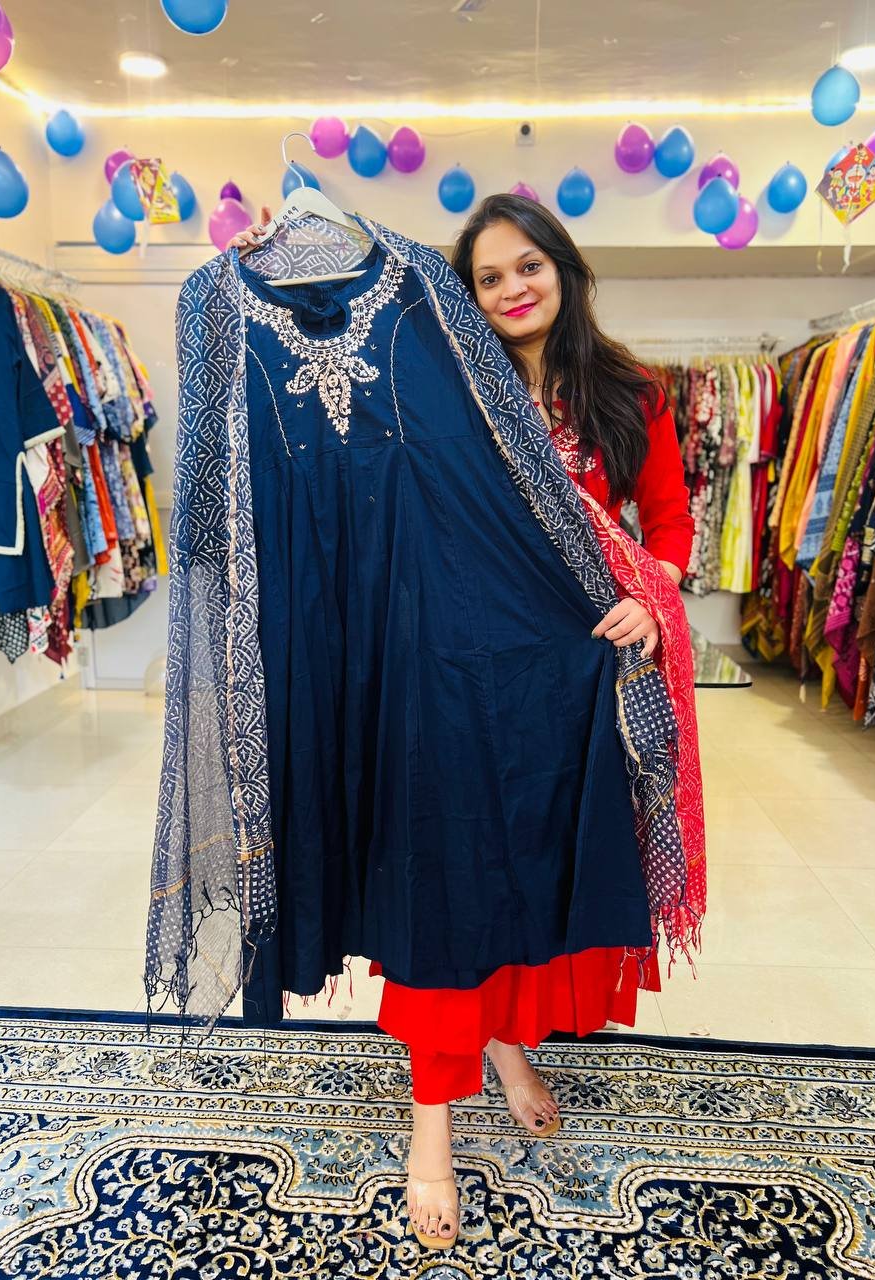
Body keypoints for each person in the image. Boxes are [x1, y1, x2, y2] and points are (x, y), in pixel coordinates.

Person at [227, 194, 695, 1249]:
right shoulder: (436, 375)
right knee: (444, 879)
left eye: (529, 265)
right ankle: (430, 1122)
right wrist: (282, 249)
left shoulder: (629, 393)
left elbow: (668, 523)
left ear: (566, 268)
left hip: (572, 672)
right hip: (441, 666)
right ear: (463, 296)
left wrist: (654, 593)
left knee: (534, 870)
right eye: (488, 277)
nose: (512, 288)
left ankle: (509, 1039)